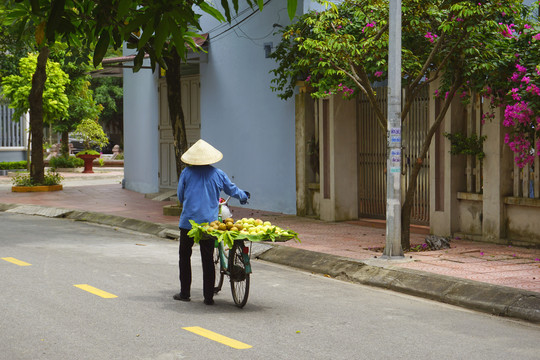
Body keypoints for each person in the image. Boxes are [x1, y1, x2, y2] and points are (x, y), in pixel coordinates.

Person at [174, 139, 249, 305]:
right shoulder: (218, 174)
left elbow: (180, 196)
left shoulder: (186, 173)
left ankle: (185, 293)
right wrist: (243, 196)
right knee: (207, 258)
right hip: (210, 224)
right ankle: (208, 297)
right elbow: (232, 190)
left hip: (188, 222)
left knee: (184, 256)